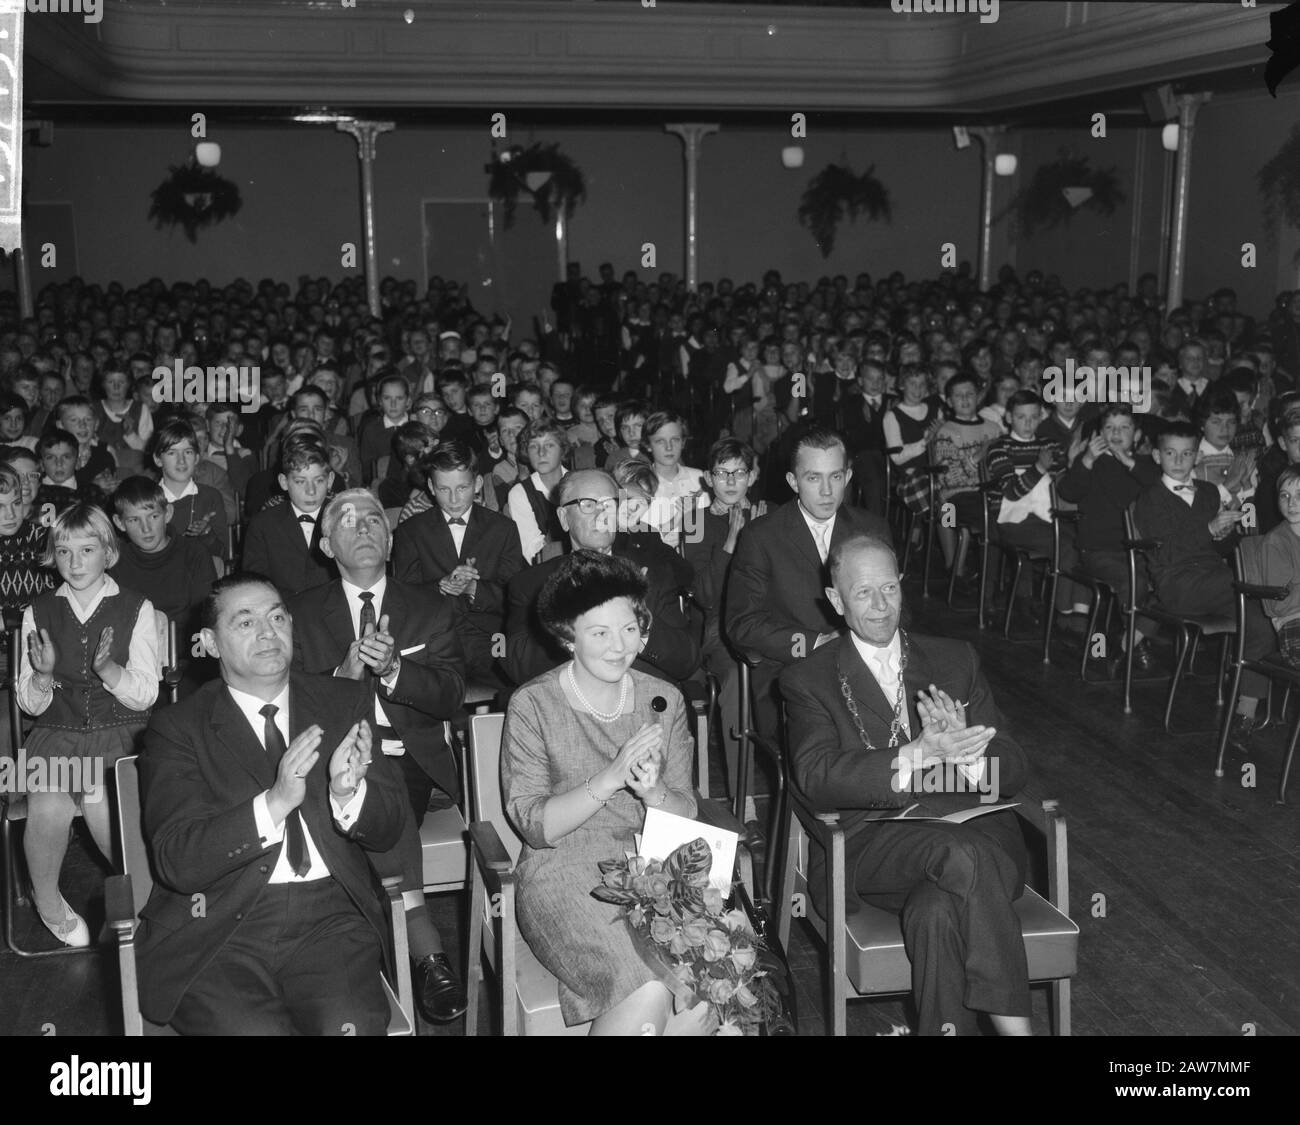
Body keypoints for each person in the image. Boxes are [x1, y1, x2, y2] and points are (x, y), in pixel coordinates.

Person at [779, 534, 1031, 1036]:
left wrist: (971, 754)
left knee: (937, 910)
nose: (880, 606)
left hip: (975, 838)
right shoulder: (809, 679)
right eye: (863, 593)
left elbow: (1016, 771)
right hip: (872, 844)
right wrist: (917, 754)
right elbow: (815, 778)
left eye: (889, 589)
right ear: (835, 601)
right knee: (963, 856)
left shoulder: (955, 659)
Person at [135, 573, 409, 1034]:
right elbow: (177, 861)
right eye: (245, 623)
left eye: (277, 616)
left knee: (353, 1026)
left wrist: (348, 795)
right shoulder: (176, 727)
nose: (267, 632)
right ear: (209, 643)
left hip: (330, 921)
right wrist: (274, 803)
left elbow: (389, 828)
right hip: (219, 925)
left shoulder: (343, 699)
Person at [500, 551, 712, 1035]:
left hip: (654, 870)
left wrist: (655, 792)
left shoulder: (665, 699)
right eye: (599, 633)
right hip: (562, 872)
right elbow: (536, 825)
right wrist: (611, 778)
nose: (620, 647)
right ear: (565, 636)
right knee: (650, 981)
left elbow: (686, 814)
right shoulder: (533, 704)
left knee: (711, 985)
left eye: (630, 629)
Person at [290, 489, 469, 1023]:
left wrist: (395, 671)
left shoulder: (430, 606)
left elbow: (453, 693)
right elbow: (284, 700)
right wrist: (342, 679)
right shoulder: (296, 613)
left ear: (391, 540)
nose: (364, 527)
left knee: (379, 790)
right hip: (329, 758)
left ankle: (363, 959)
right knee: (356, 795)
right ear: (325, 545)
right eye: (346, 521)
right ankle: (424, 951)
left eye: (374, 519)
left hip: (408, 760)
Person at [16, 503, 160, 947]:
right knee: (48, 803)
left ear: (108, 552)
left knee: (101, 799)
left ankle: (143, 902)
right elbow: (29, 703)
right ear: (52, 556)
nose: (75, 563)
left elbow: (147, 693)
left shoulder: (137, 607)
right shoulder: (36, 612)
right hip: (56, 734)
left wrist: (109, 670)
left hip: (122, 731)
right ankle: (49, 903)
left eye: (87, 549)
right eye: (64, 552)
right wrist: (41, 675)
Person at [724, 427, 892, 739]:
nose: (827, 491)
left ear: (849, 476)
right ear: (793, 481)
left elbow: (897, 609)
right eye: (814, 478)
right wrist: (815, 643)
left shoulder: (872, 530)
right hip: (793, 668)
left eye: (836, 477)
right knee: (832, 738)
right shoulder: (762, 537)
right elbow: (741, 624)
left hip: (867, 663)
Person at [1134, 421, 1273, 750]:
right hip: (1176, 583)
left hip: (1215, 579)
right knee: (1253, 583)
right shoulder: (1150, 498)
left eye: (1186, 453)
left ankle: (1244, 715)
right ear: (1157, 456)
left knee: (1262, 622)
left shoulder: (1210, 492)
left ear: (1197, 456)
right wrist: (1210, 529)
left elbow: (1218, 547)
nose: (1179, 460)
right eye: (1171, 453)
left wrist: (1225, 531)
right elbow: (1164, 551)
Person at [505, 469, 700, 688]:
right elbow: (517, 667)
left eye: (608, 504)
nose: (601, 514)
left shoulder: (652, 572)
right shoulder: (531, 584)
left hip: (643, 700)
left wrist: (638, 623)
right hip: (570, 704)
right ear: (563, 518)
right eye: (587, 505)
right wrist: (572, 612)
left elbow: (687, 660)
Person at [392, 442, 525, 686]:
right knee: (434, 689)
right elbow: (402, 596)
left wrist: (474, 589)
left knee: (512, 677)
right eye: (444, 489)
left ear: (477, 484)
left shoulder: (503, 528)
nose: (453, 499)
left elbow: (516, 594)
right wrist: (440, 586)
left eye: (462, 487)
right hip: (435, 636)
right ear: (431, 486)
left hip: (492, 635)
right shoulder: (410, 531)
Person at [240, 435, 338, 597]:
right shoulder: (263, 524)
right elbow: (256, 582)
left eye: (319, 481)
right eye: (300, 481)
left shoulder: (343, 518)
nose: (311, 491)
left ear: (330, 480)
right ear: (284, 482)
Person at [149, 417, 229, 565]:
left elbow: (223, 554)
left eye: (188, 452)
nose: (181, 460)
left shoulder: (210, 497)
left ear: (197, 458)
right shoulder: (147, 499)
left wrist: (207, 534)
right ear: (158, 459)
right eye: (172, 453)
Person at [506, 418, 569, 563]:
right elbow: (532, 551)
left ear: (563, 449)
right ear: (526, 452)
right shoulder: (520, 493)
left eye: (549, 445)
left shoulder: (582, 482)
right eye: (534, 446)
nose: (541, 453)